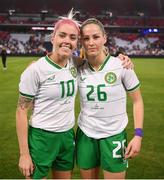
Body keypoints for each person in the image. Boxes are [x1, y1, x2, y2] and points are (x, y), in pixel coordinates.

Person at [16, 10, 134, 179]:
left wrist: (121, 59)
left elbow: (98, 61)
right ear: (53, 38)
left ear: (77, 43)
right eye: (62, 35)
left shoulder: (74, 63)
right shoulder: (36, 69)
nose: (67, 41)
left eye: (72, 38)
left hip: (67, 135)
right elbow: (21, 111)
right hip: (42, 136)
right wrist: (24, 154)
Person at [76, 18, 144, 179]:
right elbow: (53, 63)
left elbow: (137, 101)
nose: (91, 42)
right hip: (86, 134)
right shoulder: (77, 68)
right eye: (86, 38)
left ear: (104, 38)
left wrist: (138, 135)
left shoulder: (122, 66)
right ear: (81, 42)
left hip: (114, 135)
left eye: (96, 37)